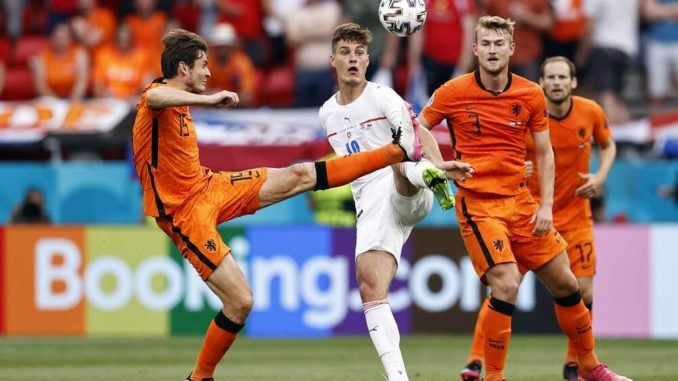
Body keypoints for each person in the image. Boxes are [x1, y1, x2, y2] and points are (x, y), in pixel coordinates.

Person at [132, 28, 426, 381]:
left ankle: (395, 151)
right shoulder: (156, 97)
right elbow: (155, 98)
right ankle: (200, 377)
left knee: (300, 175)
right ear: (183, 68)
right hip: (182, 212)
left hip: (207, 186)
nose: (209, 74)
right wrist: (210, 101)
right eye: (203, 66)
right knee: (240, 302)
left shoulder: (177, 101)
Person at [417, 16, 631, 381]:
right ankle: (493, 376)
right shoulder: (452, 91)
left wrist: (545, 204)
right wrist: (438, 165)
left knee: (567, 284)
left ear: (512, 49)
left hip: (522, 202)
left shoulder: (531, 94)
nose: (492, 50)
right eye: (485, 44)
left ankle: (590, 367)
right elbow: (419, 123)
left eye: (499, 44)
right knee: (507, 282)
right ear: (475, 49)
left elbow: (545, 154)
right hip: (480, 203)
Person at [319, 23, 473, 381]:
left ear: (368, 60)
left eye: (359, 53)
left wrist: (435, 165)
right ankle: (398, 377)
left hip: (405, 187)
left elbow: (417, 131)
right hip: (370, 203)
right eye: (345, 52)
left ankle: (429, 177)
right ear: (333, 60)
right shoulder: (327, 113)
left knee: (400, 153)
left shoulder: (383, 96)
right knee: (369, 285)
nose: (353, 59)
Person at [460, 56, 618, 381]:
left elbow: (609, 144)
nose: (557, 82)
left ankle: (575, 364)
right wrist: (520, 168)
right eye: (551, 77)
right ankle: (476, 361)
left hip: (575, 217)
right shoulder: (528, 113)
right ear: (542, 82)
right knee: (504, 285)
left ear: (573, 82)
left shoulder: (591, 112)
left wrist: (601, 176)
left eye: (563, 77)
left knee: (582, 291)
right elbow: (504, 150)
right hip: (529, 217)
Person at [31, 22, 89, 101]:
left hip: (75, 98)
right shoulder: (42, 57)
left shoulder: (79, 53)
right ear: (52, 39)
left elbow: (82, 81)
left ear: (70, 39)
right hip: (50, 99)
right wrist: (56, 101)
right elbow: (41, 86)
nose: (60, 41)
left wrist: (74, 97)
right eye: (58, 38)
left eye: (63, 38)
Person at [207, 23, 257, 107]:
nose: (222, 51)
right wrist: (211, 96)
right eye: (219, 47)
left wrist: (226, 100)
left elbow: (248, 95)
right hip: (209, 107)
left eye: (226, 47)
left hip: (235, 108)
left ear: (233, 46)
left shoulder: (242, 62)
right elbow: (197, 91)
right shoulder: (206, 62)